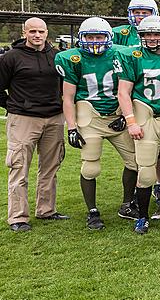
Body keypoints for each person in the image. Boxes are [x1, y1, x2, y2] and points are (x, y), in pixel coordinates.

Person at [56, 17, 138, 230]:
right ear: (81, 39)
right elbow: (68, 97)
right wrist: (72, 127)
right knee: (90, 166)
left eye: (99, 36)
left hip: (116, 116)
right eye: (90, 37)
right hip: (90, 116)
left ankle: (127, 204)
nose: (94, 41)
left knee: (135, 162)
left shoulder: (122, 53)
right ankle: (92, 211)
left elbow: (130, 87)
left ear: (108, 37)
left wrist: (125, 116)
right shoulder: (72, 58)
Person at [115, 15, 160, 234]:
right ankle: (142, 216)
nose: (153, 38)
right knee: (146, 171)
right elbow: (123, 92)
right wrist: (131, 122)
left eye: (157, 34)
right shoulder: (132, 56)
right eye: (148, 34)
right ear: (141, 35)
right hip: (146, 117)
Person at [0, 17, 67, 232]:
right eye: (32, 32)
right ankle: (18, 217)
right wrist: (13, 105)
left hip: (54, 118)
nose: (37, 35)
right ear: (24, 32)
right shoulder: (11, 57)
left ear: (47, 33)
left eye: (41, 31)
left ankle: (46, 209)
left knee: (50, 166)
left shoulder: (56, 56)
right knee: (19, 167)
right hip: (24, 119)